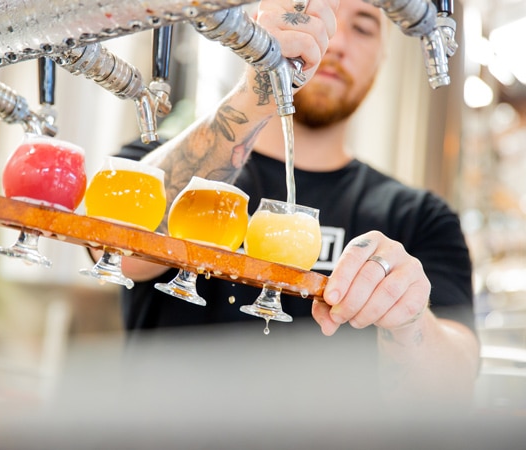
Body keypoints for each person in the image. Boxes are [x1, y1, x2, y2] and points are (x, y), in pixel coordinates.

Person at [108, 0, 480, 411]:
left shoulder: (418, 218)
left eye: (363, 27)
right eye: (317, 17)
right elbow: (115, 252)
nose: (333, 42)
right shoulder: (162, 161)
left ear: (383, 56)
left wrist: (410, 319)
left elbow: (455, 386)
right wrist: (257, 92)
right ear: (259, 23)